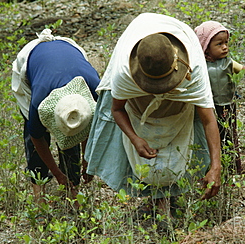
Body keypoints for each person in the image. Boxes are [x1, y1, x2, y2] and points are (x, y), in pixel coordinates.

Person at [84, 13, 222, 218]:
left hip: (180, 78)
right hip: (133, 87)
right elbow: (117, 109)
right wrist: (135, 139)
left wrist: (215, 167)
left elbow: (208, 119)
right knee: (142, 144)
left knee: (185, 135)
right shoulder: (123, 72)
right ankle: (155, 199)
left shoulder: (193, 68)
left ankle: (171, 196)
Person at [11, 29, 100, 207]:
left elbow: (90, 125)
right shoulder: (37, 102)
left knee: (73, 126)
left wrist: (87, 160)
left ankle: (72, 186)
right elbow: (37, 138)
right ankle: (39, 189)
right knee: (33, 137)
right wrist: (57, 174)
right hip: (29, 62)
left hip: (69, 51)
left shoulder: (95, 87)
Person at [195, 21, 245, 174]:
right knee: (208, 137)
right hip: (208, 108)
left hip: (227, 106)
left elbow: (244, 70)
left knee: (230, 137)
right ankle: (209, 168)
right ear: (205, 46)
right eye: (219, 44)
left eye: (226, 43)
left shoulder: (228, 63)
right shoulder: (200, 66)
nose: (225, 47)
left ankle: (234, 169)